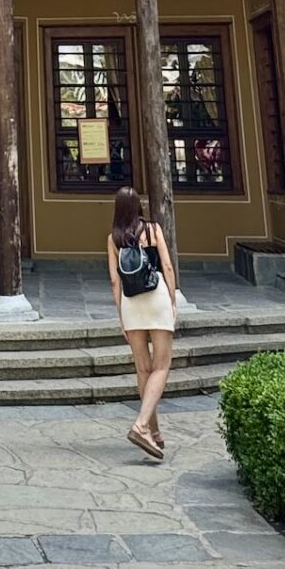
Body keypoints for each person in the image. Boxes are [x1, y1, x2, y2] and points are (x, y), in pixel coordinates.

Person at [105, 184, 176, 459]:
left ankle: (154, 433)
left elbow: (114, 280)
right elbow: (167, 267)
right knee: (162, 366)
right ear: (138, 207)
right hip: (155, 296)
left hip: (131, 302)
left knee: (143, 370)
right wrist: (172, 299)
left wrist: (121, 314)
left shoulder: (113, 238)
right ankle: (142, 424)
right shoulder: (153, 230)